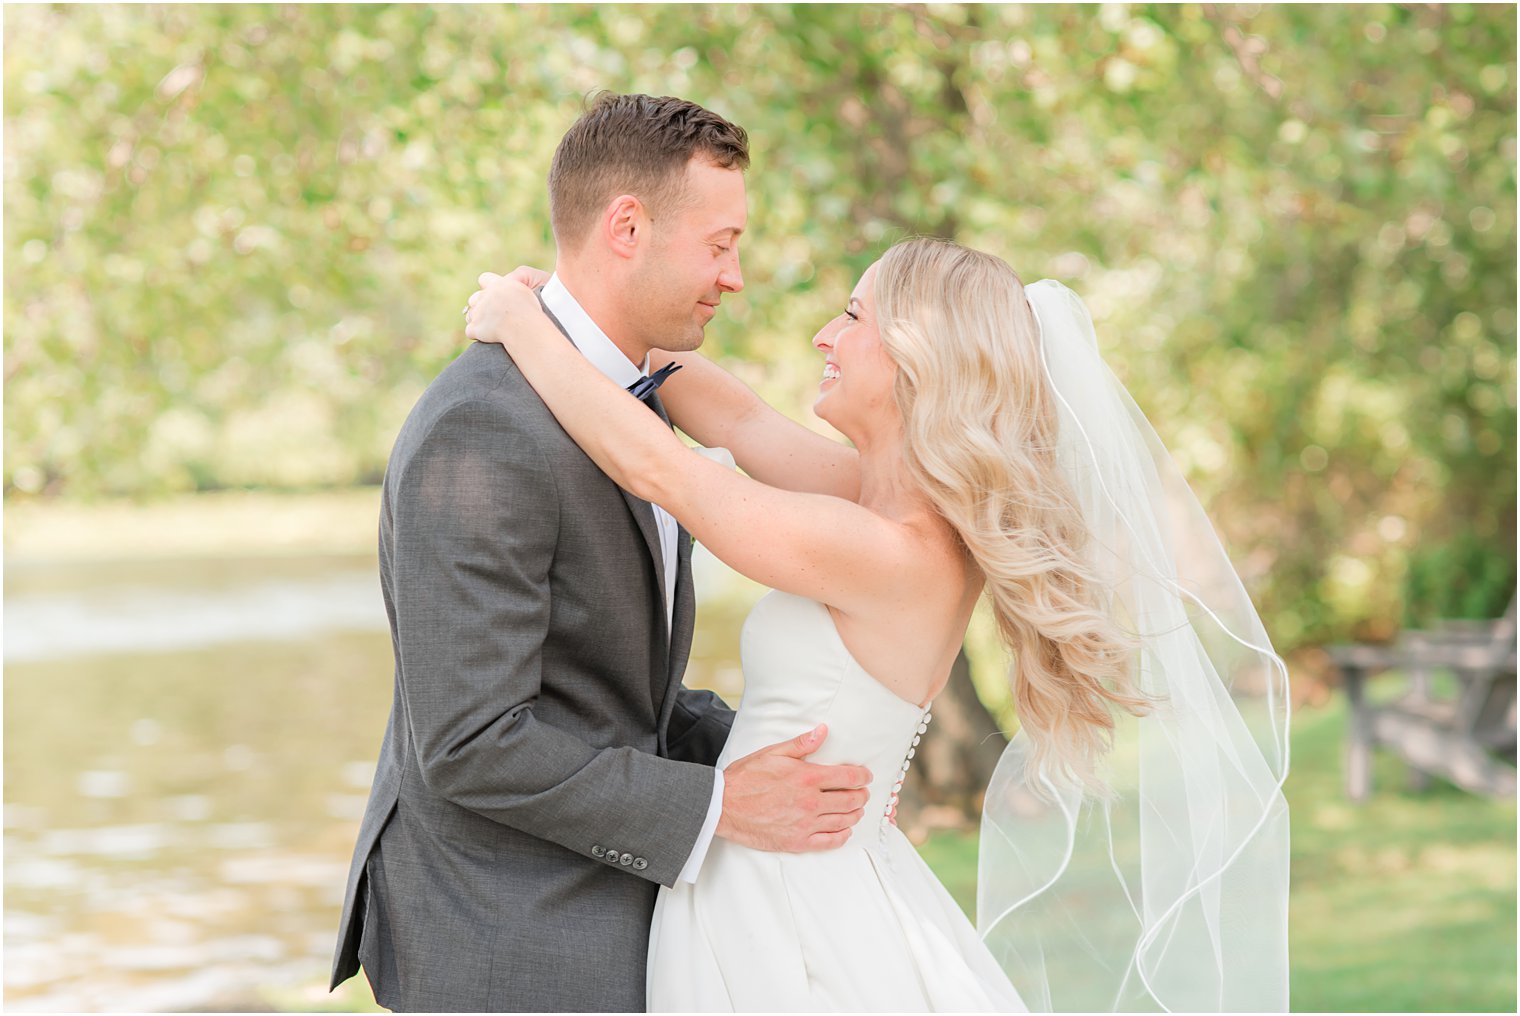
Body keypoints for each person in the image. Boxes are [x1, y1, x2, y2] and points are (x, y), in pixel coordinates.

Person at [465, 236, 1292, 1012]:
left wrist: (518, 325)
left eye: (854, 316)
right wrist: (596, 319)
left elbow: (658, 466)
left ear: (918, 357)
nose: (826, 334)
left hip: (788, 899)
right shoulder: (882, 500)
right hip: (782, 872)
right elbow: (740, 422)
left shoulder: (891, 549)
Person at [330, 93, 876, 1013]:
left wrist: (783, 756)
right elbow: (469, 742)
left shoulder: (637, 402)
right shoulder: (483, 429)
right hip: (508, 933)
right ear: (628, 226)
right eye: (720, 243)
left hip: (607, 903)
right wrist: (718, 806)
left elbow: (613, 686)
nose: (735, 276)